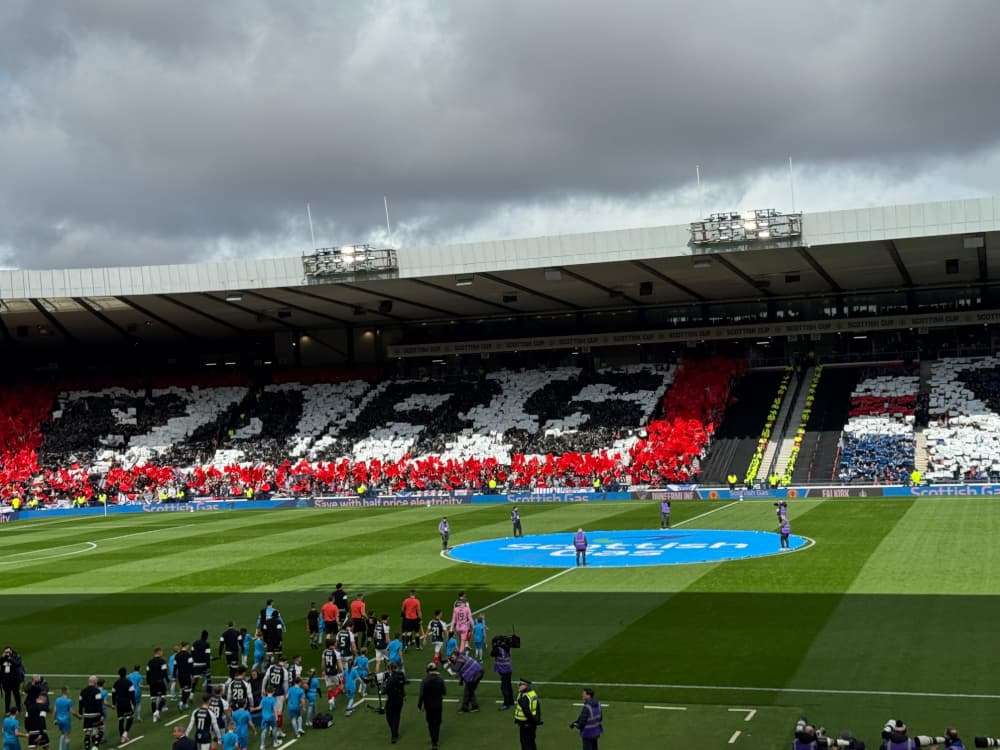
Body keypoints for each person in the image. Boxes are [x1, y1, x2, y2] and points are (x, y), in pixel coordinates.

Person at [417, 663, 446, 750]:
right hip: (438, 705)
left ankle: (433, 739)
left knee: (430, 723)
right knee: (437, 723)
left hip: (428, 706)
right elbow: (444, 692)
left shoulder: (425, 681)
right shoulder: (440, 680)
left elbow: (421, 695)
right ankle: (435, 741)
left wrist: (419, 705)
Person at [514, 678, 541, 750]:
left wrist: (532, 721)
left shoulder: (524, 697)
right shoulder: (532, 694)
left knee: (525, 743)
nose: (519, 686)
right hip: (531, 722)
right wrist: (537, 720)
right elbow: (537, 708)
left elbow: (527, 712)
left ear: (526, 686)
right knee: (531, 742)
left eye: (521, 685)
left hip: (526, 723)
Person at [382, 663, 406, 744]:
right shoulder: (401, 675)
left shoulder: (390, 679)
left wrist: (383, 686)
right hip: (400, 699)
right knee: (397, 715)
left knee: (389, 717)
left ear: (389, 669)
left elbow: (385, 691)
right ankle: (395, 732)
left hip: (392, 700)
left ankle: (394, 734)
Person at [77, 677, 103, 750]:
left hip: (87, 714)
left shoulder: (83, 691)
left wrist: (80, 713)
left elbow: (80, 703)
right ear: (95, 682)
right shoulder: (97, 691)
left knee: (87, 732)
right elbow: (99, 703)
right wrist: (101, 714)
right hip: (96, 714)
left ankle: (87, 748)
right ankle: (95, 746)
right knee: (101, 730)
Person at [111, 668, 135, 744]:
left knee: (121, 720)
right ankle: (125, 733)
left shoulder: (116, 683)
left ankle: (122, 737)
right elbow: (132, 693)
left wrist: (114, 703)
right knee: (129, 718)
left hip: (119, 703)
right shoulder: (129, 682)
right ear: (126, 673)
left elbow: (113, 693)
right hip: (127, 702)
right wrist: (134, 703)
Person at [147, 647, 169, 722]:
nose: (162, 653)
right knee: (163, 697)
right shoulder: (162, 661)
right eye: (161, 651)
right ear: (158, 652)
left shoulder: (150, 662)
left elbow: (148, 673)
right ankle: (157, 711)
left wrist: (148, 682)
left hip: (152, 682)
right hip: (160, 682)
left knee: (153, 699)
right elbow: (165, 672)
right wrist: (167, 680)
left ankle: (154, 716)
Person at [492, 637, 514, 711]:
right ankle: (511, 701)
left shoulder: (499, 649)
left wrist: (495, 645)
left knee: (504, 687)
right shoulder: (507, 648)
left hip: (504, 671)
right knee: (508, 685)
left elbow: (492, 654)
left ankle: (506, 704)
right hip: (508, 669)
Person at [0, 649, 24, 715]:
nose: (7, 653)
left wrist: (10, 659)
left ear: (11, 651)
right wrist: (2, 657)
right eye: (5, 652)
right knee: (7, 696)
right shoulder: (3, 658)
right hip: (5, 681)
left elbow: (17, 664)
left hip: (14, 681)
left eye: (8, 652)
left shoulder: (16, 656)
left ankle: (18, 709)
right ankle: (7, 710)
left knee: (16, 695)